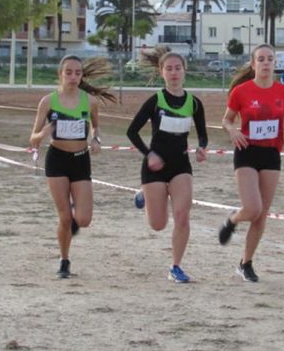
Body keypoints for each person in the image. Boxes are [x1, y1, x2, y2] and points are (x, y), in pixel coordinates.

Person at [218, 44, 284, 282]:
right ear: (253, 64)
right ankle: (233, 219)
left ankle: (246, 263)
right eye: (261, 59)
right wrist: (232, 130)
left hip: (271, 155)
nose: (266, 63)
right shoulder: (241, 91)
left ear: (275, 63)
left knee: (261, 215)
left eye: (270, 59)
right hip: (246, 151)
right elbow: (227, 120)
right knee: (252, 208)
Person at [29, 55, 115, 279]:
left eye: (78, 73)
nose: (73, 77)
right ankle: (64, 260)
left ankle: (72, 207)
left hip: (80, 159)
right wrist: (44, 133)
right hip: (57, 159)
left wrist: (96, 140)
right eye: (69, 72)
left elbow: (95, 128)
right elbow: (33, 139)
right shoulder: (48, 101)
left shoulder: (90, 101)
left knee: (83, 219)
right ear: (60, 74)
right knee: (65, 218)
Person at [126, 52, 209, 283]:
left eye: (177, 68)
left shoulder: (194, 103)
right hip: (154, 166)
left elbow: (203, 135)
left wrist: (202, 148)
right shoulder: (155, 100)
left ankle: (176, 266)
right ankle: (145, 195)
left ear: (184, 70)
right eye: (169, 69)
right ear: (162, 72)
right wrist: (149, 154)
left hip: (180, 165)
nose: (174, 73)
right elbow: (131, 132)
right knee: (158, 224)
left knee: (182, 216)